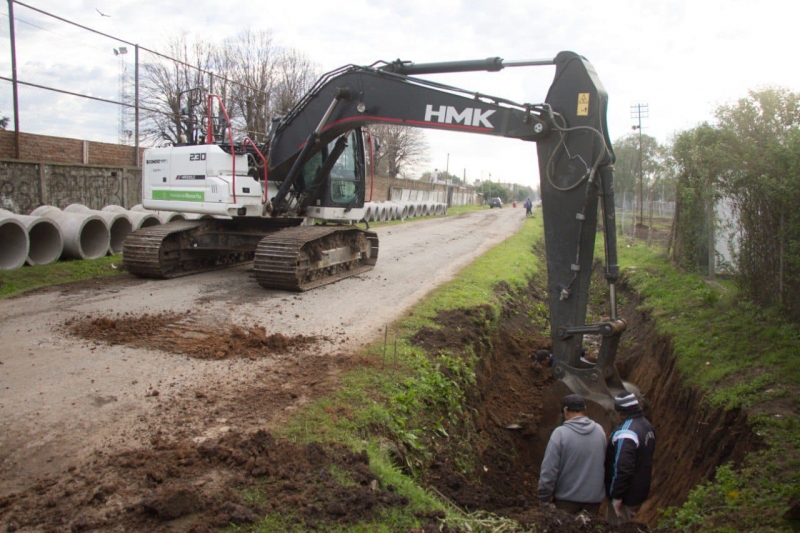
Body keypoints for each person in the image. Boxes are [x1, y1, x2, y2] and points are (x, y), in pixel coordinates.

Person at [538, 394, 607, 515]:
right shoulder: (599, 430)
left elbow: (549, 470)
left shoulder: (560, 434)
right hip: (593, 501)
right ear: (584, 409)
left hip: (566, 501)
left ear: (565, 411)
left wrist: (544, 497)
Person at [604, 391, 656, 525]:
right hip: (640, 491)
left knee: (618, 527)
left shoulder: (626, 433)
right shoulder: (647, 426)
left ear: (621, 412)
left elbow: (623, 467)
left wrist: (616, 495)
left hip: (626, 496)